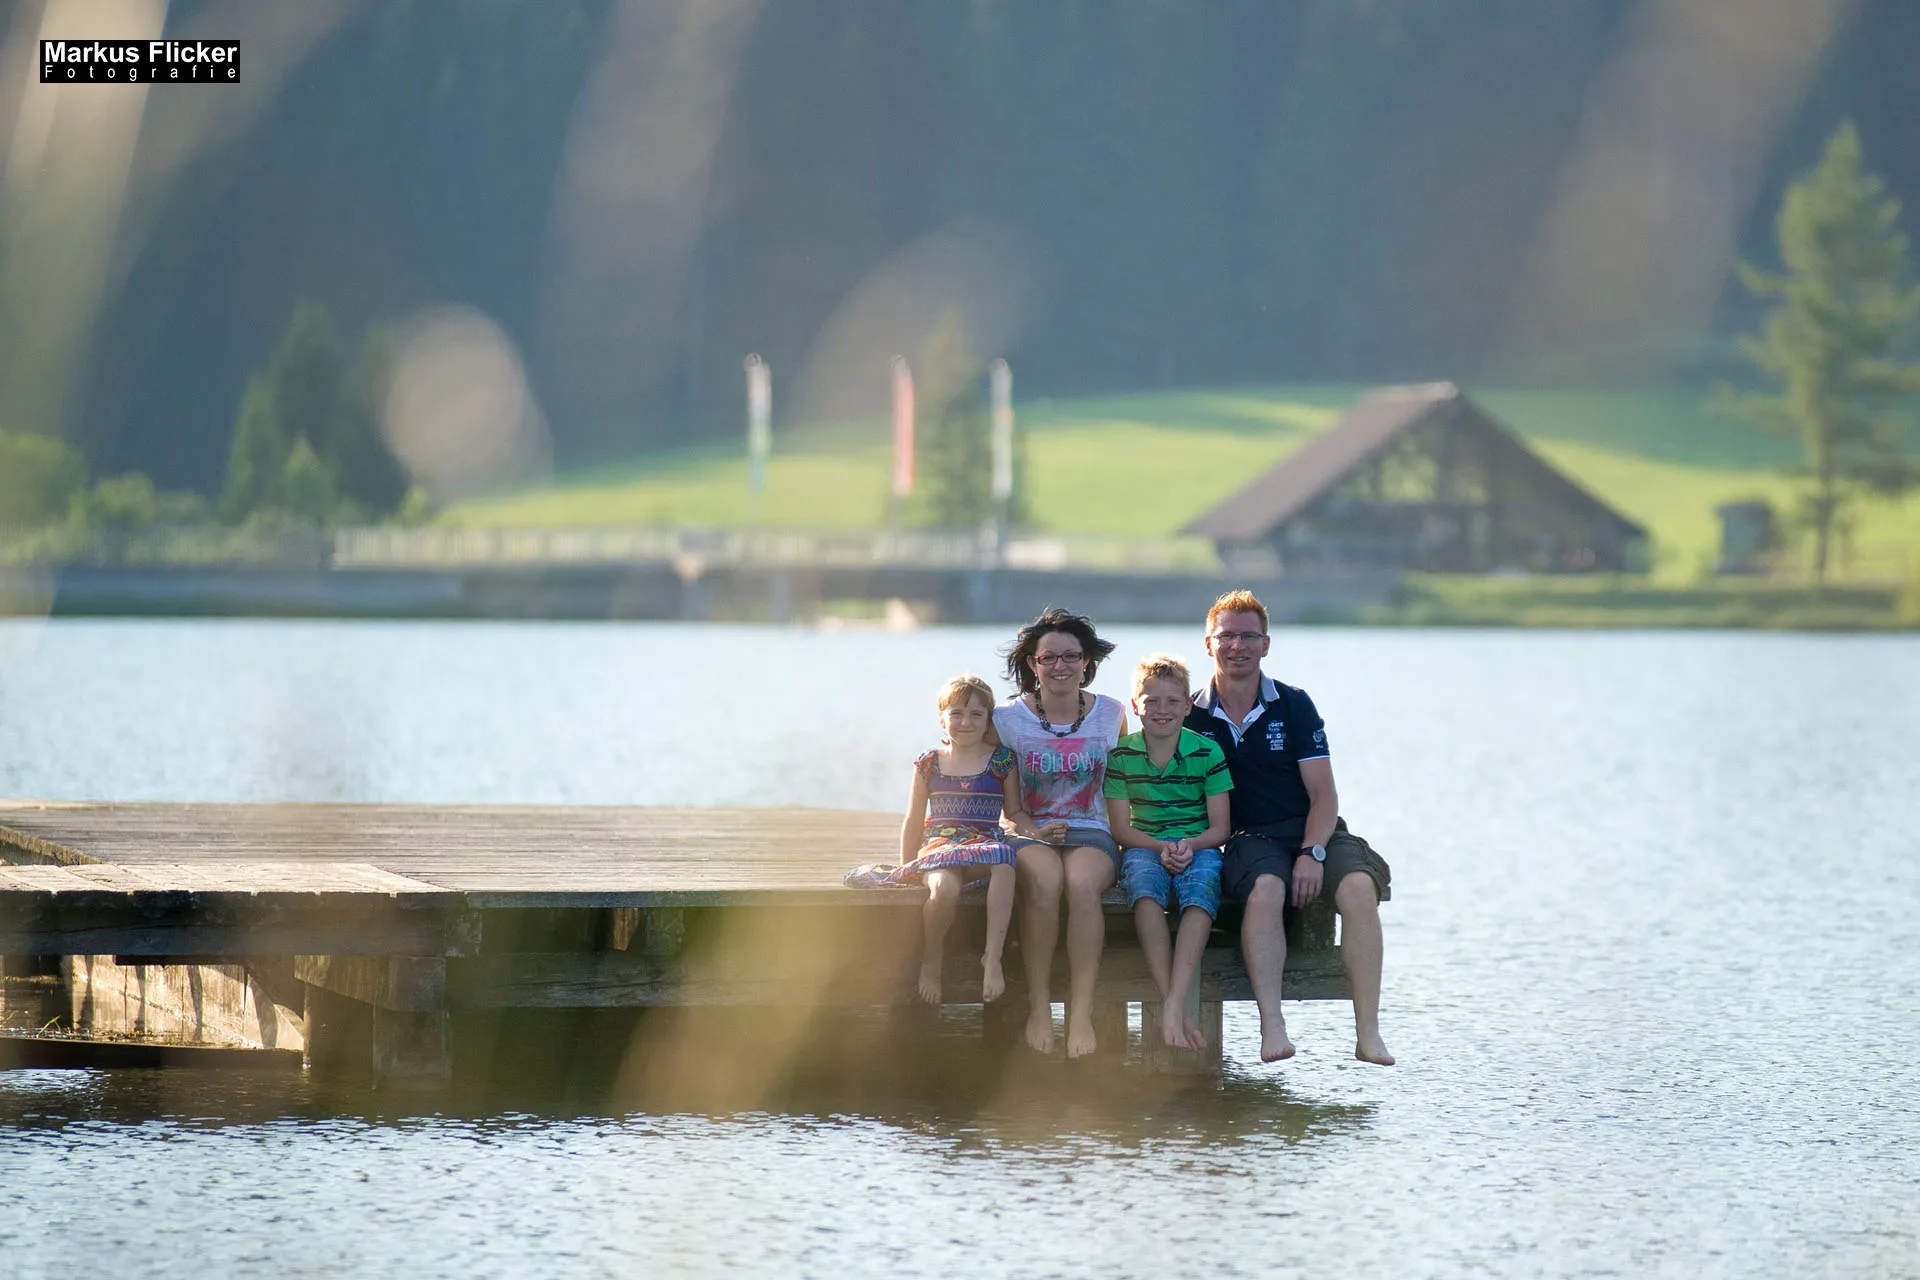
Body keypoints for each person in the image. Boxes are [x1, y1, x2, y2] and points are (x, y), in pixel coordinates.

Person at [1184, 589, 1395, 1066]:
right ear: (1208, 644)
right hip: (1248, 837)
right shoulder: (1191, 716)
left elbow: (1324, 795)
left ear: (1266, 645)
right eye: (1227, 636)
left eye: (1249, 637)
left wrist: (1312, 852)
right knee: (1265, 891)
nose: (1237, 646)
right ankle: (1272, 1027)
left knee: (1361, 888)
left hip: (1313, 829)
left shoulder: (1295, 704)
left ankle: (1369, 1032)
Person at [845, 675, 1031, 1006]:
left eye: (976, 714)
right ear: (941, 718)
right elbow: (914, 819)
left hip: (983, 844)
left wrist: (1036, 832)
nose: (965, 722)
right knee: (944, 889)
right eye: (957, 713)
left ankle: (993, 958)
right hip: (940, 847)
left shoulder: (1002, 760)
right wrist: (907, 867)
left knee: (1004, 862)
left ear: (988, 720)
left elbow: (1014, 811)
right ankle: (932, 958)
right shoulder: (929, 763)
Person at [993, 608, 1126, 1058]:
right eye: (1049, 658)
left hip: (1091, 830)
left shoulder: (1111, 713)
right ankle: (1038, 1007)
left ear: (1087, 661)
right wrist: (1031, 829)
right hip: (1029, 830)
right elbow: (1006, 805)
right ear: (1033, 663)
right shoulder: (1007, 719)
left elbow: (1119, 790)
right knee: (1047, 882)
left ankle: (1081, 1012)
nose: (1061, 666)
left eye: (1072, 656)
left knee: (1081, 883)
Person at [1103, 654, 1233, 1052]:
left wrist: (1188, 847)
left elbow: (1221, 828)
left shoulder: (1206, 752)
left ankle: (1174, 1001)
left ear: (1187, 706)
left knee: (1201, 893)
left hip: (1198, 845)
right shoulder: (1121, 756)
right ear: (1135, 704)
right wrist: (1161, 848)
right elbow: (1121, 829)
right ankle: (1172, 999)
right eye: (1151, 700)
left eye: (1172, 701)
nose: (1162, 710)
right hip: (1144, 844)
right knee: (1143, 892)